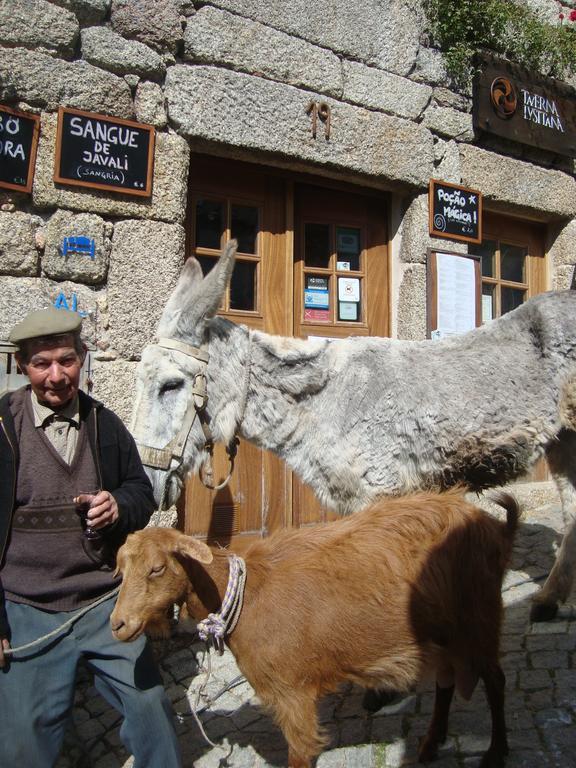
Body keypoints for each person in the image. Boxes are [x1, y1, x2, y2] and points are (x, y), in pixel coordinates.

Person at [0, 306, 182, 768]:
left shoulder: (105, 424)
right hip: (26, 607)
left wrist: (119, 506)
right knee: (23, 742)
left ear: (83, 357)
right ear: (23, 366)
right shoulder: (4, 427)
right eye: (42, 364)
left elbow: (142, 492)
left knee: (152, 711)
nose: (57, 376)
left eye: (67, 360)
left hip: (104, 601)